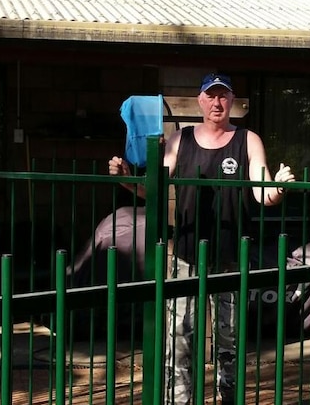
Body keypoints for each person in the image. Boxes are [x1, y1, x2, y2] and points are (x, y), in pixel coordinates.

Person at [109, 72, 295, 405]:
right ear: (201, 101)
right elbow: (155, 189)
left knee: (230, 341)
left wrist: (279, 187)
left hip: (231, 258)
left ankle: (229, 399)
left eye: (223, 96)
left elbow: (262, 192)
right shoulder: (181, 140)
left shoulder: (248, 139)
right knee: (179, 338)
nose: (217, 102)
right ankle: (179, 401)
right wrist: (126, 181)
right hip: (186, 256)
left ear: (232, 101)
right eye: (211, 96)